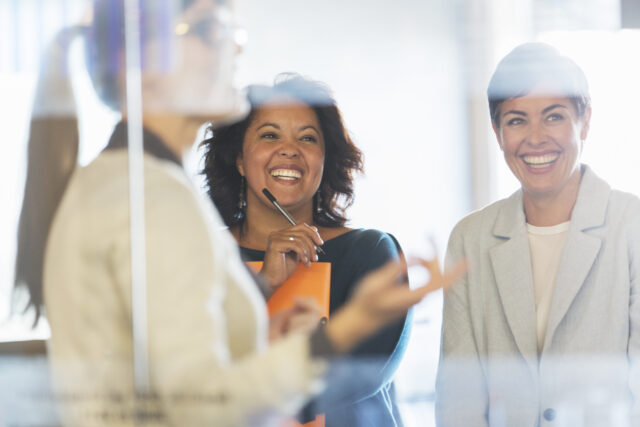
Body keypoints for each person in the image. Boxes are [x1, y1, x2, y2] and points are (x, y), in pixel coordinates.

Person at [12, 1, 462, 426]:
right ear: (144, 63)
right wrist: (347, 328)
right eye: (210, 30)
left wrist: (258, 338)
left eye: (233, 30)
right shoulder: (155, 200)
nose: (235, 46)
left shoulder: (120, 185)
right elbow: (207, 407)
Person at [436, 42, 640, 426]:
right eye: (516, 120)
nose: (535, 138)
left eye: (553, 116)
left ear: (585, 121)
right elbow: (459, 399)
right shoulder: (470, 238)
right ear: (497, 133)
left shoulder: (632, 225)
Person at [200, 74, 411, 426]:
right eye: (269, 135)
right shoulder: (202, 254)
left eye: (308, 138)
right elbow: (190, 372)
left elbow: (360, 375)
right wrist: (263, 283)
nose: (289, 149)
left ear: (324, 160)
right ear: (239, 159)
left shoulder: (369, 251)